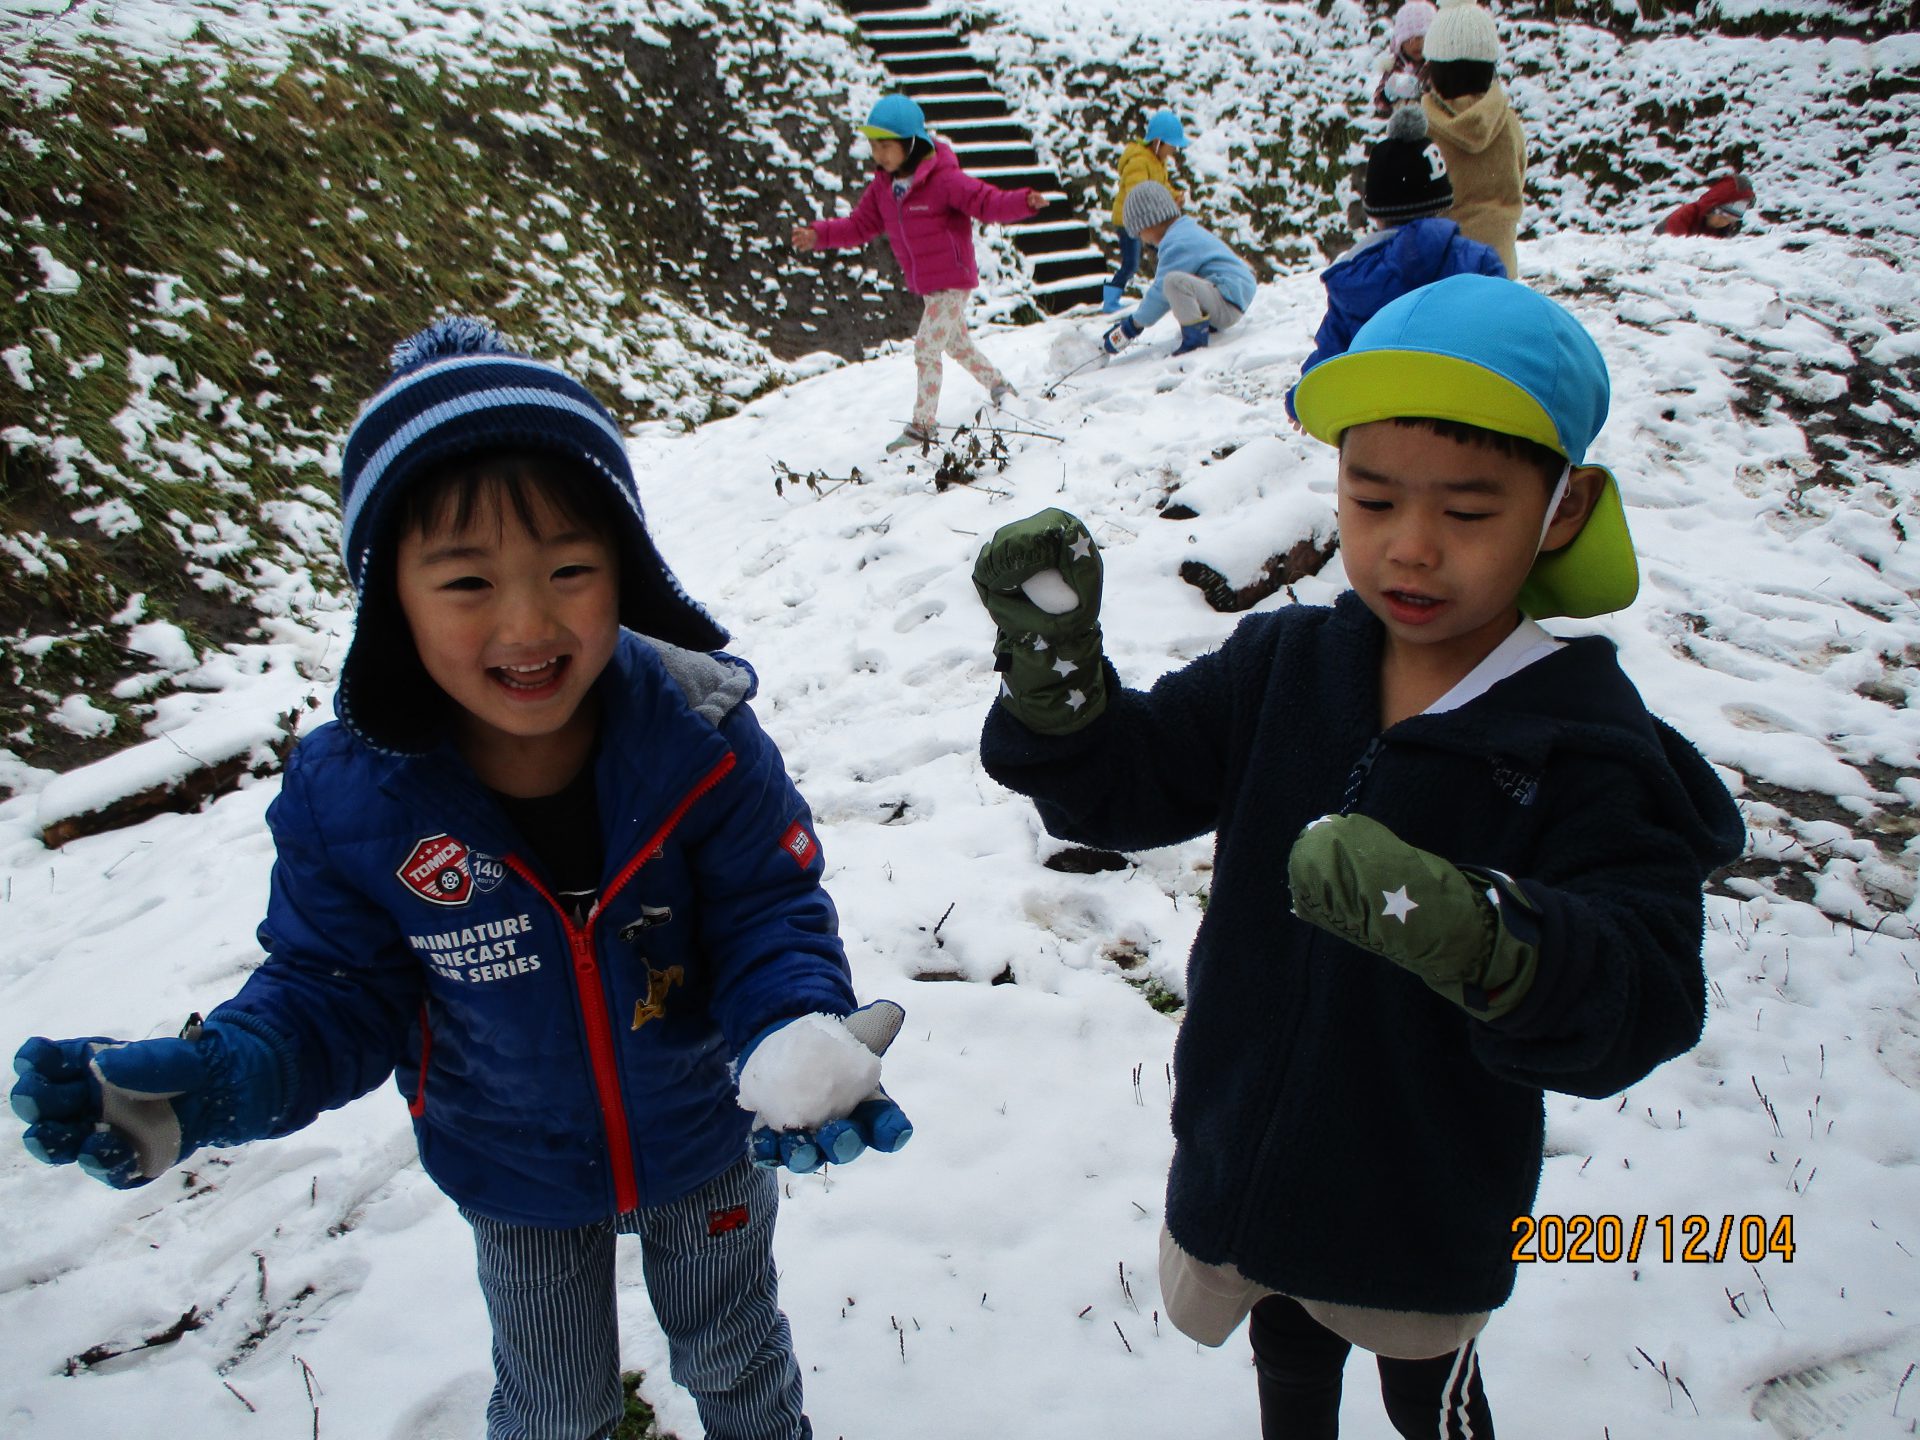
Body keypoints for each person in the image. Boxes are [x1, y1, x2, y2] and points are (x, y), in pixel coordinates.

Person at [11, 318, 914, 1440]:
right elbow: (335, 990)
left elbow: (765, 912)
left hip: (704, 1139)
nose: (527, 623)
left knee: (735, 1356)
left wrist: (791, 1029)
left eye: (570, 570)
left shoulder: (703, 737)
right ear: (388, 595)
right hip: (511, 1167)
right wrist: (226, 1077)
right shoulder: (356, 796)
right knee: (554, 1401)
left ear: (626, 571)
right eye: (467, 581)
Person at [970, 274, 1742, 1438]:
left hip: (1419, 1199)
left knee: (1431, 1396)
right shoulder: (1286, 667)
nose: (1410, 549)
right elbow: (1129, 787)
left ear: (1563, 509)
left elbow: (1646, 984)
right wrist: (1058, 686)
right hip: (1252, 1153)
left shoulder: (1579, 750)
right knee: (1285, 1342)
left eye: (1468, 512)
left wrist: (1492, 942)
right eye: (1373, 499)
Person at [791, 93, 1046, 453]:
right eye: (873, 146)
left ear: (911, 143)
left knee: (926, 347)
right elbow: (859, 225)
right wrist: (820, 235)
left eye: (886, 146)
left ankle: (923, 427)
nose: (878, 155)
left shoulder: (944, 180)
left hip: (952, 280)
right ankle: (1000, 386)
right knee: (957, 345)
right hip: (929, 284)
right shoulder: (884, 188)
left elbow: (985, 201)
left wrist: (1023, 201)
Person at [1287, 105, 1506, 421]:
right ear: (1441, 202)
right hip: (1462, 416)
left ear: (1375, 212)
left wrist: (1301, 400)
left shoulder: (1355, 278)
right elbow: (1501, 336)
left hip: (1382, 421)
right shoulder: (1479, 261)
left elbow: (1331, 352)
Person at [1420, 0, 1526, 275]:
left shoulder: (1422, 130)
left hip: (1443, 269)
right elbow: (1518, 176)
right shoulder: (1508, 123)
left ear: (1434, 68)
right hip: (1498, 266)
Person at [1101, 180, 1257, 358]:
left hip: (1227, 303)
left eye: (1139, 233)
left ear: (1149, 222)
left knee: (1173, 282)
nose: (1142, 240)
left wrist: (1133, 325)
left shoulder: (1178, 242)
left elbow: (1160, 292)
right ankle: (1203, 326)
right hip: (1232, 296)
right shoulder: (1185, 230)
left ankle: (1195, 340)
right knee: (1179, 282)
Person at [1104, 109, 1189, 312]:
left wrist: (1173, 195)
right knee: (1131, 263)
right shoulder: (1139, 162)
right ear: (1158, 142)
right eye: (1171, 146)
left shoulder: (1158, 162)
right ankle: (1110, 301)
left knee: (1165, 252)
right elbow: (1138, 192)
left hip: (1148, 221)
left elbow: (1161, 186)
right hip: (1129, 221)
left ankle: (1169, 292)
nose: (1173, 151)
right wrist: (1161, 205)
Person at [1371, 0, 1436, 117]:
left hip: (1433, 123)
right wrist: (1389, 92)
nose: (1416, 44)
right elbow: (1379, 103)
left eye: (1422, 37)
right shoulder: (1395, 65)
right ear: (1400, 43)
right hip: (1403, 124)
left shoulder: (1437, 65)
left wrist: (1421, 89)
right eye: (1409, 39)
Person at [1659, 172, 1756, 236]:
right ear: (1711, 209)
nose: (1724, 222)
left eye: (1730, 220)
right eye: (1723, 216)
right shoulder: (1685, 216)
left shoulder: (1724, 230)